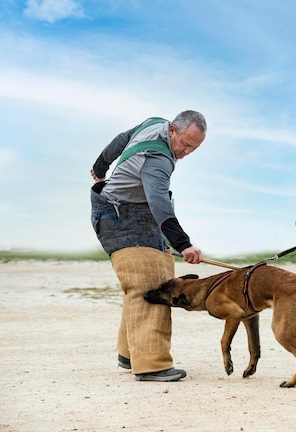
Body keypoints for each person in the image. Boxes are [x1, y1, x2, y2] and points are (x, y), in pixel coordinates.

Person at [90, 110, 207, 382]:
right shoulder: (159, 160)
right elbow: (158, 201)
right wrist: (184, 244)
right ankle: (152, 364)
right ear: (173, 131)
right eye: (186, 144)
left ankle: (129, 353)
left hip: (124, 211)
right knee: (153, 286)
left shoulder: (152, 124)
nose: (187, 152)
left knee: (140, 283)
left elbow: (121, 140)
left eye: (194, 148)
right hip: (124, 215)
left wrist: (100, 167)